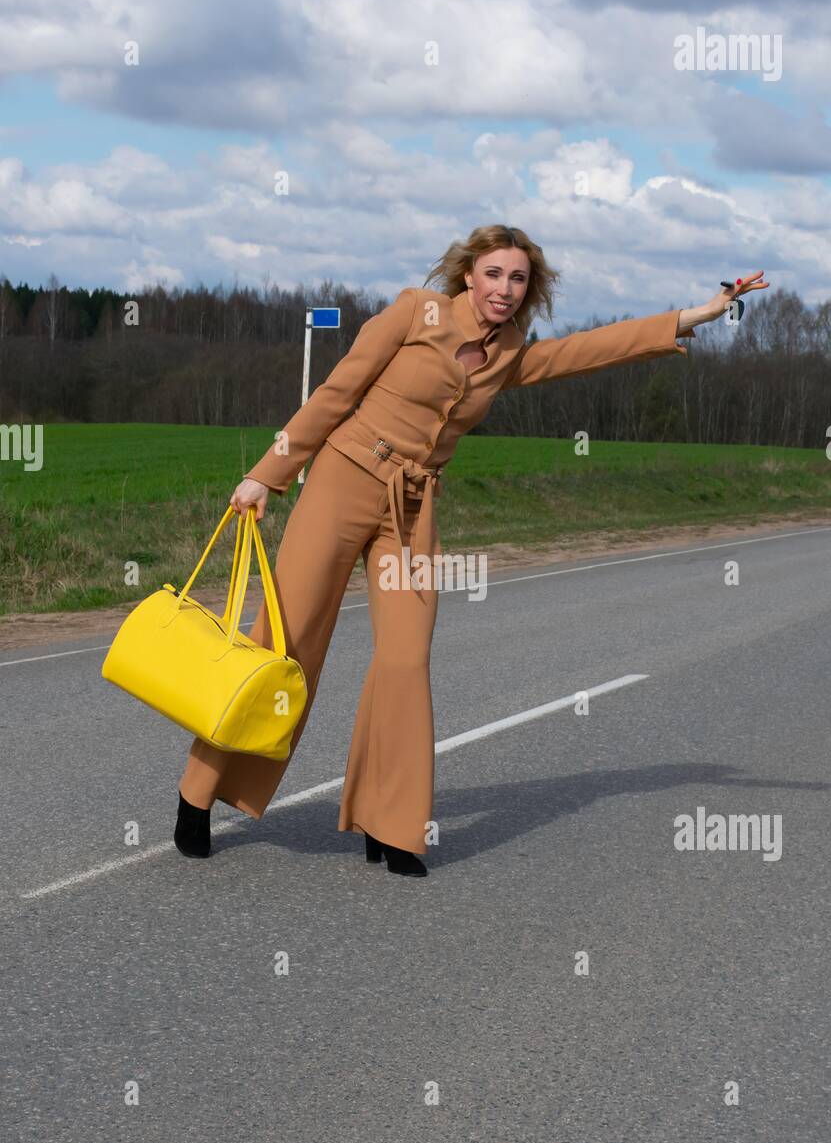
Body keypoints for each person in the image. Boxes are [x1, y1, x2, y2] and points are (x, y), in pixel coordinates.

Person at [173, 223, 768, 876]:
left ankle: (391, 823)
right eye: (494, 274)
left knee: (405, 658)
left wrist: (698, 314)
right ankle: (197, 796)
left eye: (518, 279)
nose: (505, 290)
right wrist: (267, 473)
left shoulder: (511, 352)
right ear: (467, 275)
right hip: (342, 483)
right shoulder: (413, 312)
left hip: (412, 509)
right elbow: (336, 392)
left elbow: (591, 349)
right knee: (286, 646)